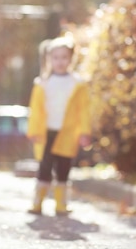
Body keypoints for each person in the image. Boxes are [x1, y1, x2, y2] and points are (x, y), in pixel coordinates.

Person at [26, 36, 90, 216]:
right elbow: (36, 109)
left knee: (64, 168)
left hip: (67, 132)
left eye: (64, 57)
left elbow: (83, 110)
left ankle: (61, 203)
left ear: (71, 59)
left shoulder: (78, 84)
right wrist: (33, 131)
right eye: (55, 57)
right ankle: (38, 201)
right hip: (46, 132)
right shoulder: (43, 83)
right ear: (49, 59)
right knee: (44, 168)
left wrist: (84, 131)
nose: (60, 61)